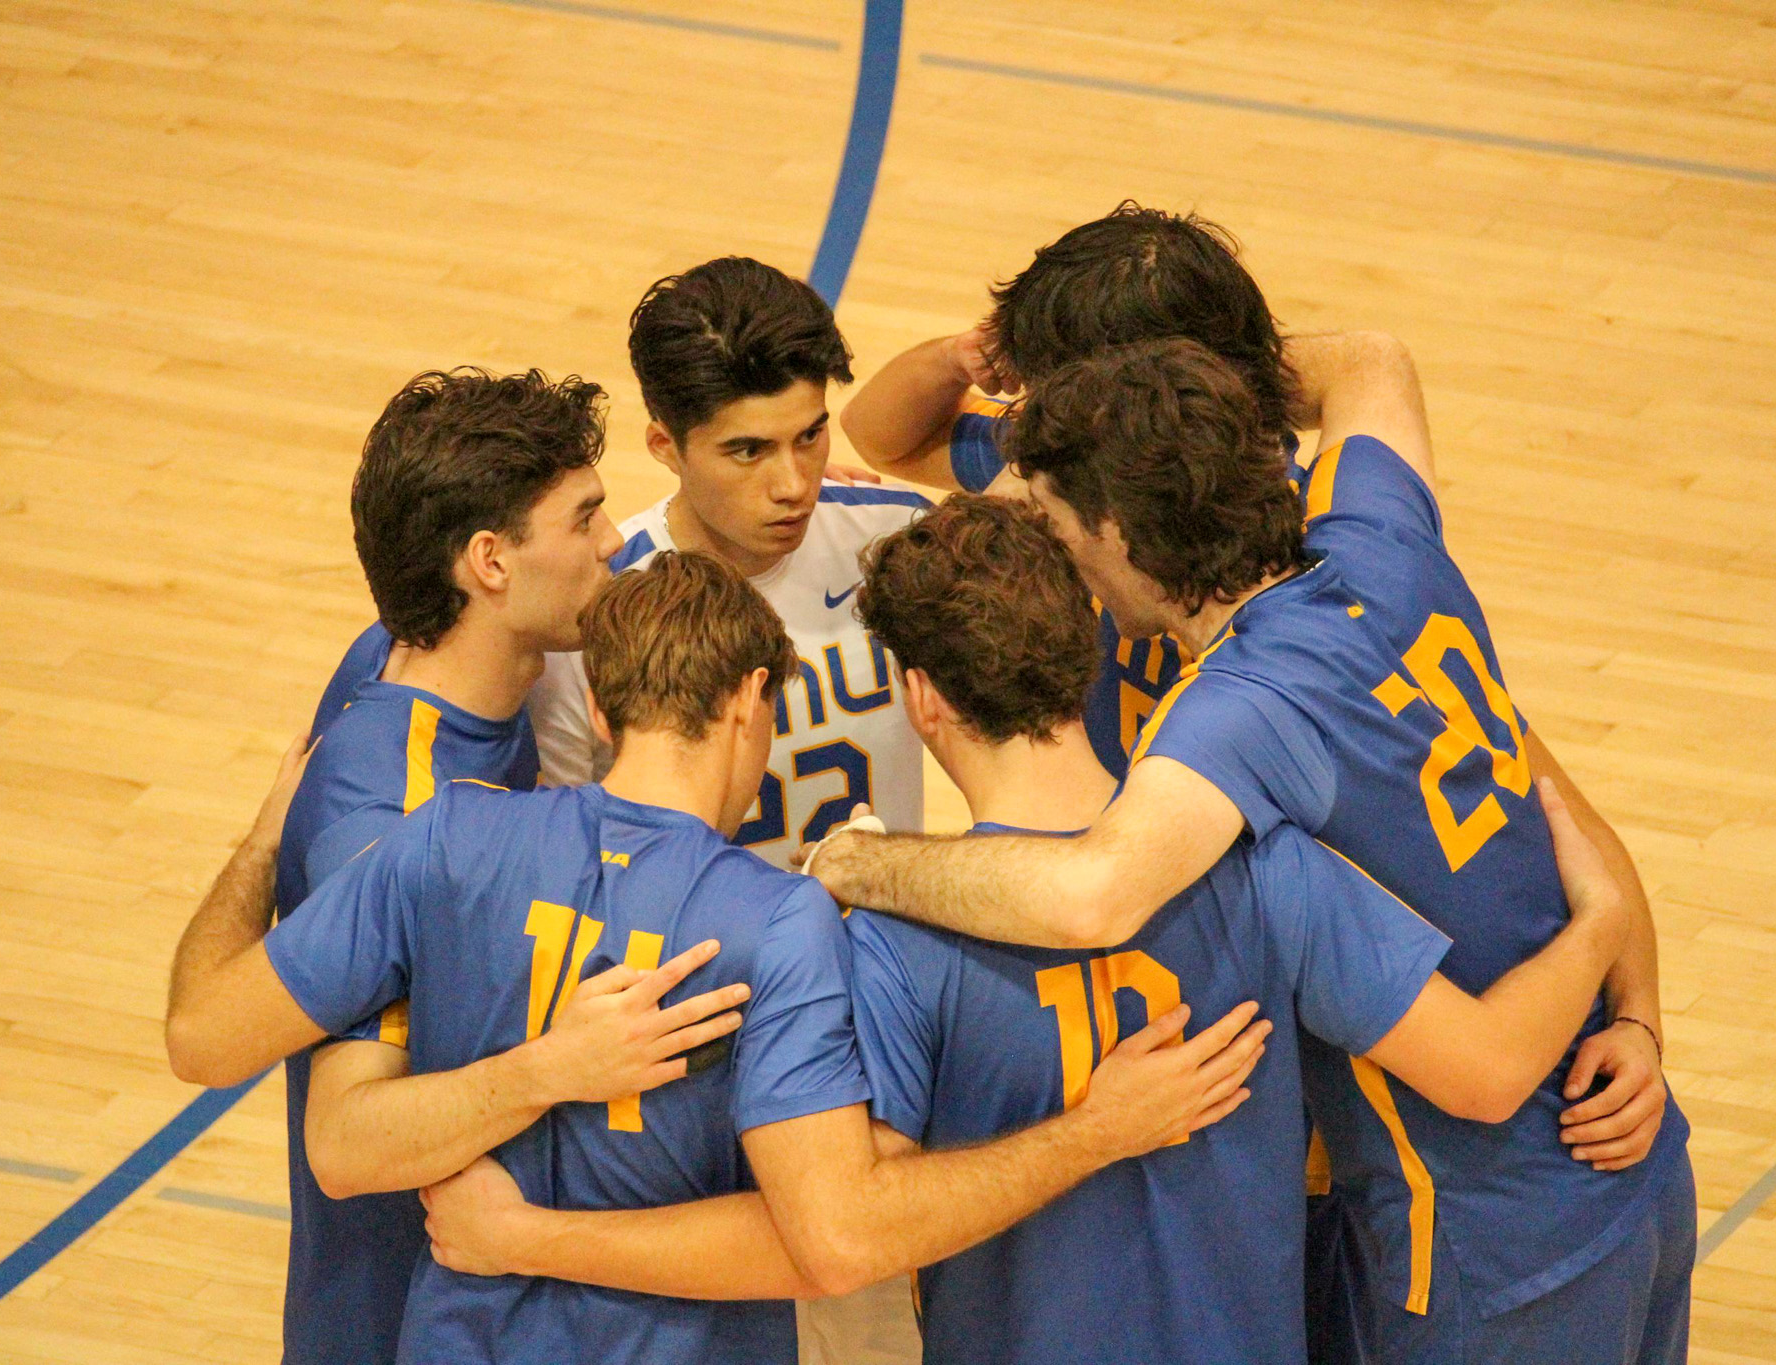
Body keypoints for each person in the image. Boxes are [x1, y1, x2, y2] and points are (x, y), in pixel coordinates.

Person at [419, 495, 1633, 1365]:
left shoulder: (882, 939)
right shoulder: (1267, 869)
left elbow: (848, 1234)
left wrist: (1084, 1135)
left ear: (922, 699)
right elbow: (1484, 1072)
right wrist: (1599, 935)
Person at [808, 343, 1695, 1364]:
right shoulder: (1379, 540)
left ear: (1117, 530)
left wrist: (862, 869)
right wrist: (1621, 983)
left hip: (1485, 1244)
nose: (1068, 561)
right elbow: (1373, 363)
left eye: (1058, 526)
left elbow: (1091, 897)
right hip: (1627, 1157)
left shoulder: (1233, 716)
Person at [181, 551, 1267, 1365]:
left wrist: (270, 837)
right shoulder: (780, 923)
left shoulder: (448, 837)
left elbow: (220, 1052)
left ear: (601, 707)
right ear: (750, 700)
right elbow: (826, 1241)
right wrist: (554, 1090)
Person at [166, 368, 743, 1365]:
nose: (614, 543)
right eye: (584, 518)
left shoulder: (388, 655)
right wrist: (553, 1069)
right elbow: (212, 1046)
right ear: (489, 562)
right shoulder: (397, 825)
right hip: (409, 1314)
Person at [838, 202, 1304, 777]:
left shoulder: (1299, 534)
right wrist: (953, 359)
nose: (1040, 408)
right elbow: (881, 436)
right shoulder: (1080, 462)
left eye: (1053, 388)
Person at [535, 257, 933, 868]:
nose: (794, 485)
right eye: (749, 451)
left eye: (809, 437)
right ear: (665, 446)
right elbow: (565, 849)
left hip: (886, 947)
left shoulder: (897, 536)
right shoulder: (593, 610)